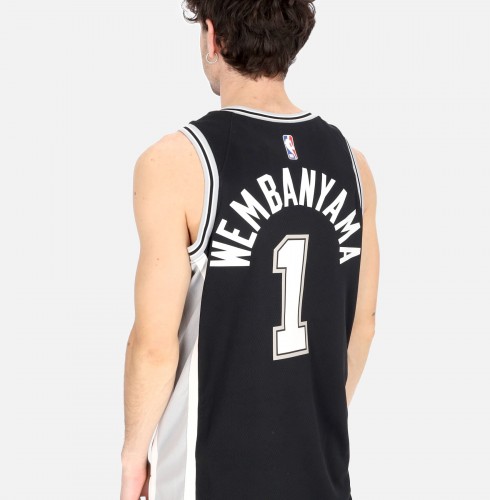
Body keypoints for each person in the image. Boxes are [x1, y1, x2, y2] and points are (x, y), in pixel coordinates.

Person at [120, 0, 380, 498]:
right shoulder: (354, 165)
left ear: (212, 36)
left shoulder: (176, 162)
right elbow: (361, 325)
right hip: (321, 476)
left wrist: (134, 456)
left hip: (209, 479)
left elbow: (154, 345)